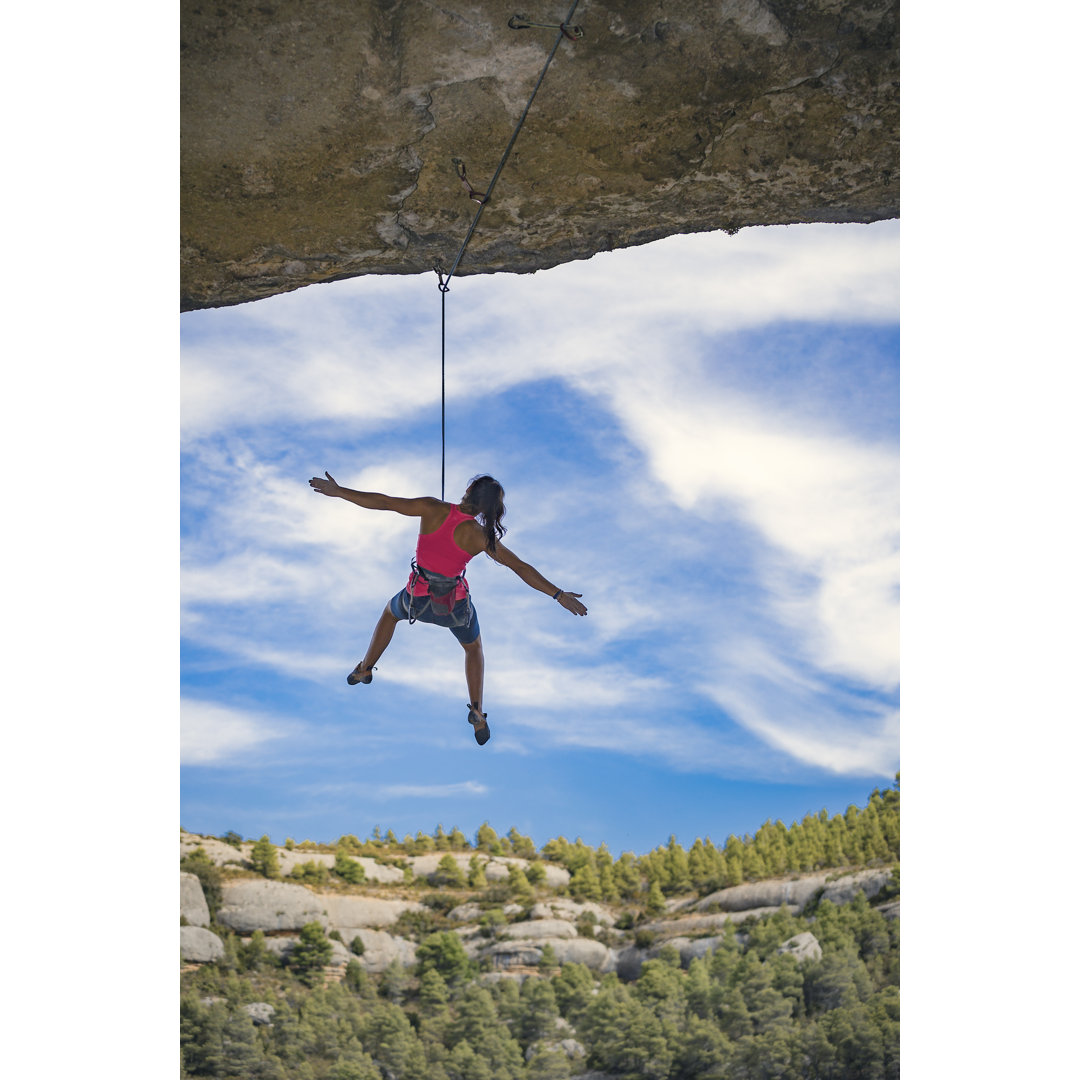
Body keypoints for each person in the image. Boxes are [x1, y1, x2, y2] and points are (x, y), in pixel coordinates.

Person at [308, 471, 587, 745]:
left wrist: (340, 491)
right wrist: (558, 594)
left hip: (416, 598)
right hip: (454, 607)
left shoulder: (431, 507)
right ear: (489, 508)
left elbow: (385, 502)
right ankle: (477, 710)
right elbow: (521, 568)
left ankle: (365, 668)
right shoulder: (481, 536)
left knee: (390, 614)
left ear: (468, 491)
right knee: (473, 648)